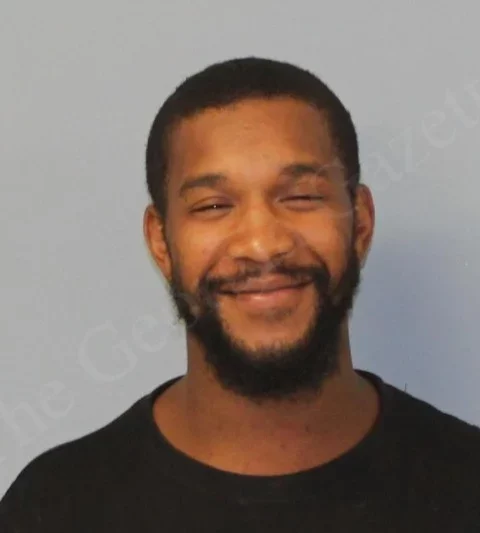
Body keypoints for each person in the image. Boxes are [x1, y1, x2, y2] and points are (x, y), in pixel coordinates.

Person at [0, 57, 479, 532]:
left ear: (360, 224)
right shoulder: (55, 508)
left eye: (301, 197)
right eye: (213, 206)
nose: (261, 244)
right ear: (161, 242)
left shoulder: (466, 484)